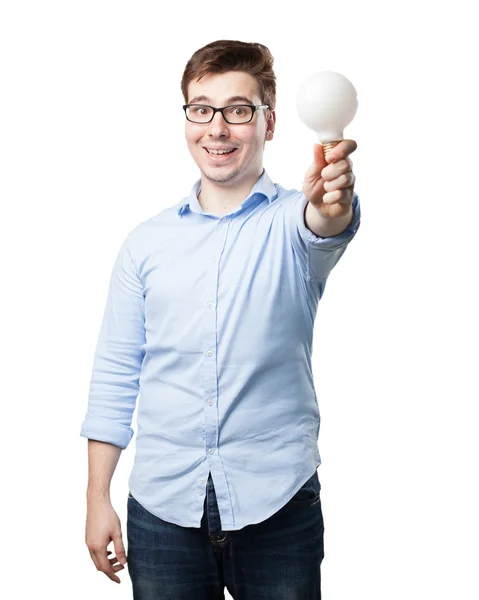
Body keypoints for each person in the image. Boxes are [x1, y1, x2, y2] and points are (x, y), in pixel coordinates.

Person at [81, 39, 360, 599]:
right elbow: (116, 373)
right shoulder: (146, 244)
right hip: (162, 512)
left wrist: (335, 201)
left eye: (238, 110)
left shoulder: (291, 223)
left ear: (269, 122)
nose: (218, 128)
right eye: (201, 109)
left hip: (278, 504)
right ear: (187, 118)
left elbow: (326, 221)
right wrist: (96, 498)